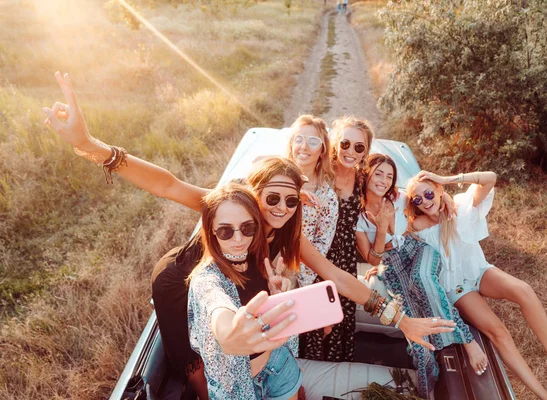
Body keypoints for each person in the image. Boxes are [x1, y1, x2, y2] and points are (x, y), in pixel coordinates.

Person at [42, 71, 457, 395]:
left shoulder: (289, 233)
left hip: (240, 281)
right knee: (202, 378)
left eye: (291, 201)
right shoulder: (234, 206)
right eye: (272, 200)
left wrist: (401, 320)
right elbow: (168, 184)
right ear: (255, 195)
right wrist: (89, 144)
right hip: (184, 284)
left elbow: (339, 276)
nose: (279, 210)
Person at [405, 170, 547, 400]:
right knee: (499, 333)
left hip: (479, 271)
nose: (425, 202)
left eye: (428, 193)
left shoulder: (459, 206)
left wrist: (447, 179)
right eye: (418, 199)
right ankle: (546, 397)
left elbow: (490, 178)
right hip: (457, 287)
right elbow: (397, 239)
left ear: (437, 189)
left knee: (524, 290)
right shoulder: (419, 226)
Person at [355, 154, 487, 397]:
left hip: (418, 250)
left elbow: (431, 197)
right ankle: (428, 386)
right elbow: (373, 258)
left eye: (389, 176)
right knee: (412, 319)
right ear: (366, 176)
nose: (384, 180)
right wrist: (382, 227)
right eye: (378, 174)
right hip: (392, 266)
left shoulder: (400, 197)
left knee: (424, 280)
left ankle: (467, 340)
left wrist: (446, 199)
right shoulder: (359, 217)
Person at [187, 182, 301, 399]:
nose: (239, 239)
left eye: (247, 228)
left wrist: (276, 294)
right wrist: (227, 335)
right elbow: (215, 304)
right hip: (237, 387)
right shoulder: (206, 278)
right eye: (225, 231)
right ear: (211, 230)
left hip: (279, 367)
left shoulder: (259, 259)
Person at [301, 116, 372, 362]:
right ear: (334, 144)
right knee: (313, 321)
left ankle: (335, 369)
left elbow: (395, 196)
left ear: (365, 152)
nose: (350, 151)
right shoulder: (320, 172)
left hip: (345, 260)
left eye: (358, 147)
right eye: (345, 143)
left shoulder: (364, 181)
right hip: (314, 255)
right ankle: (305, 370)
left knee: (339, 317)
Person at [286, 115, 338, 288]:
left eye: (313, 142)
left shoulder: (327, 197)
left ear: (322, 150)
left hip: (296, 275)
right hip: (261, 265)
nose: (304, 147)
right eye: (299, 139)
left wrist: (298, 281)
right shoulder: (273, 178)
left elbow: (321, 245)